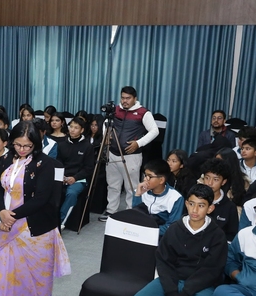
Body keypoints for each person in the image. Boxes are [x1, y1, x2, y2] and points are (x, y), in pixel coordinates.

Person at [0, 122, 71, 296]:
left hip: (36, 226)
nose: (22, 149)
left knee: (36, 274)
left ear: (35, 144)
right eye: (18, 144)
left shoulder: (46, 164)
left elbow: (42, 198)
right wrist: (2, 212)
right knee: (1, 271)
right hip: (8, 222)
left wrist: (11, 216)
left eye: (27, 146)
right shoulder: (9, 158)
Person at [100, 86, 159, 221]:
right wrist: (106, 134)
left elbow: (154, 131)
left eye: (128, 98)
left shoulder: (143, 113)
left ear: (135, 98)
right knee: (112, 185)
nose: (125, 101)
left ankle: (130, 212)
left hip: (131, 156)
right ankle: (111, 210)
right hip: (113, 153)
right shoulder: (115, 110)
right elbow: (106, 123)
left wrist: (139, 143)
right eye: (123, 98)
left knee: (131, 187)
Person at [56, 118, 95, 226]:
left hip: (79, 179)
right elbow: (58, 163)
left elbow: (88, 168)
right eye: (71, 127)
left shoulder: (87, 146)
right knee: (48, 189)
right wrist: (62, 176)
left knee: (72, 193)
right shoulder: (61, 144)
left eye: (76, 128)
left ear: (82, 130)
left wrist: (75, 178)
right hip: (62, 177)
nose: (72, 130)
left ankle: (60, 221)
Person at [132, 159, 183, 236]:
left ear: (161, 180)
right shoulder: (139, 191)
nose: (145, 179)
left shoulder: (175, 198)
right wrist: (138, 195)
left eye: (149, 176)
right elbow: (135, 216)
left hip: (161, 235)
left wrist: (149, 232)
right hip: (140, 231)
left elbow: (172, 226)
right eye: (145, 175)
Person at [199, 157, 240, 241]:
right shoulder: (194, 200)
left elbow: (231, 236)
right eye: (207, 178)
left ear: (223, 182)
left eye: (216, 179)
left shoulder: (230, 207)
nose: (210, 183)